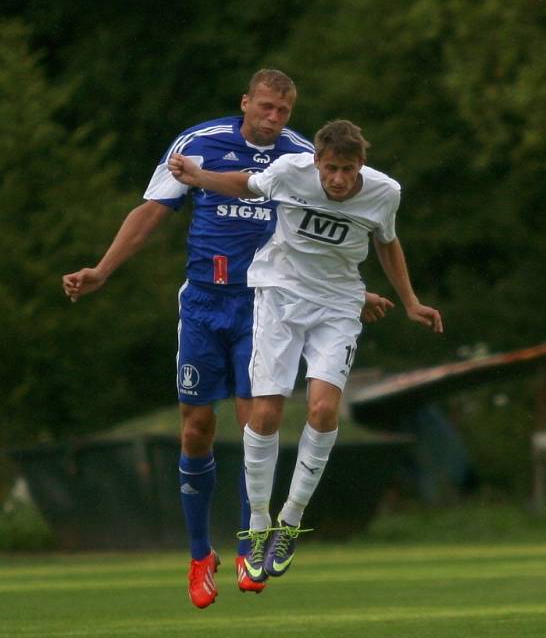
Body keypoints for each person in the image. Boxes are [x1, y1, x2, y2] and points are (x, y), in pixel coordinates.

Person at [62, 69, 318, 608]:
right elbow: (153, 210)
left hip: (265, 305)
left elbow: (326, 229)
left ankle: (254, 539)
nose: (273, 119)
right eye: (266, 107)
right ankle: (201, 554)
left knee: (258, 427)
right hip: (203, 303)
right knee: (197, 427)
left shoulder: (300, 158)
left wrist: (348, 291)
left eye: (283, 111)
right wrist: (103, 270)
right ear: (245, 102)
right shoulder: (199, 144)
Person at [167, 118, 443, 583]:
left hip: (336, 307)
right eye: (331, 168)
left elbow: (387, 243)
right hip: (277, 297)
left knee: (321, 410)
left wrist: (411, 301)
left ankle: (290, 521)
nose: (339, 179)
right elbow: (245, 185)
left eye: (348, 170)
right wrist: (200, 177)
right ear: (316, 162)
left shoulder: (383, 192)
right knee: (266, 415)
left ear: (362, 165)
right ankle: (257, 526)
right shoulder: (290, 171)